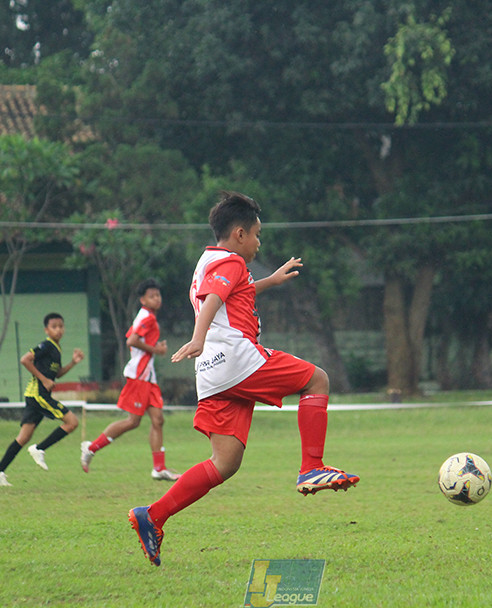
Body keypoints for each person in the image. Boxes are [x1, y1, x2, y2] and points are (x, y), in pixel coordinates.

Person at [128, 191, 359, 566]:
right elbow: (218, 298)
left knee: (225, 462)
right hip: (238, 359)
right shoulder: (232, 262)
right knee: (317, 380)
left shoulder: (209, 260)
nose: (258, 242)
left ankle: (151, 516)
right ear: (238, 234)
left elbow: (228, 291)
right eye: (256, 234)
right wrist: (198, 338)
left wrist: (270, 281)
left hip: (212, 373)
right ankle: (311, 467)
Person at [80, 279, 180, 481]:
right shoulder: (147, 318)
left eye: (158, 295)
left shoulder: (145, 316)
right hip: (139, 376)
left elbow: (134, 338)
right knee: (133, 421)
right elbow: (131, 341)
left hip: (147, 377)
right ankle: (91, 448)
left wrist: (152, 348)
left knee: (158, 420)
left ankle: (159, 468)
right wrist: (157, 350)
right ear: (143, 299)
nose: (157, 298)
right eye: (152, 295)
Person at [0, 313, 84, 486]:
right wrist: (44, 380)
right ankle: (39, 449)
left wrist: (73, 363)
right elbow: (25, 360)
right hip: (38, 394)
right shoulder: (46, 345)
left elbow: (57, 374)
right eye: (54, 326)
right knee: (72, 422)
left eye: (61, 326)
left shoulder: (56, 348)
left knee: (23, 437)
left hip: (35, 396)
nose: (59, 330)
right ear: (46, 330)